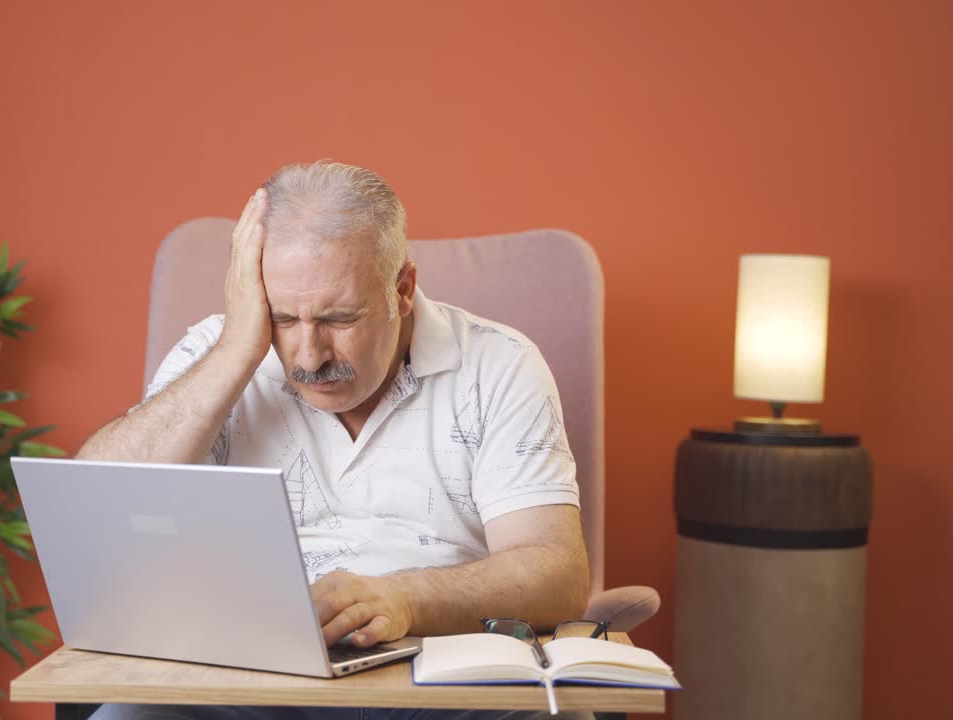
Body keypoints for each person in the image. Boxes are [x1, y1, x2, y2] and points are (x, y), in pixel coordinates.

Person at [79, 161, 592, 720]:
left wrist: (404, 598)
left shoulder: (499, 364)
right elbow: (95, 501)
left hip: (442, 677)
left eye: (338, 318)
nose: (308, 355)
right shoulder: (218, 353)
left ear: (402, 289)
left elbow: (556, 573)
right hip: (247, 683)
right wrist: (235, 352)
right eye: (283, 317)